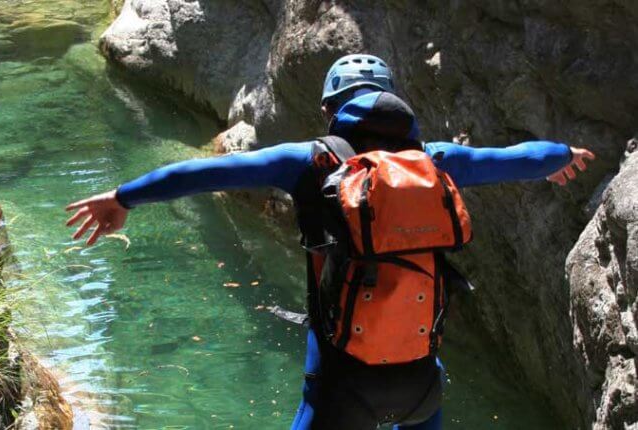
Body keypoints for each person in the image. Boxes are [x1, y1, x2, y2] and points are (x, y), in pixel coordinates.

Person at [65, 54, 594, 429]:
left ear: (329, 109)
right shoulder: (434, 161)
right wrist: (562, 154)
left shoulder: (310, 161)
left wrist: (123, 197)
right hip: (421, 384)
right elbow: (518, 157)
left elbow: (207, 174)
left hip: (341, 387)